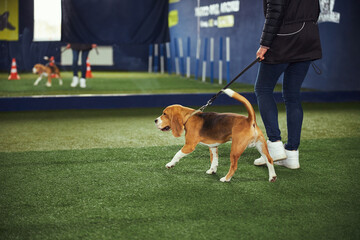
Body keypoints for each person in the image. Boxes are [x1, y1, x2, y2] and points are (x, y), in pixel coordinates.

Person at [253, 0, 322, 169]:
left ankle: (274, 145)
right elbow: (317, 10)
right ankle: (291, 155)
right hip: (309, 37)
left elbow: (274, 12)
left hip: (285, 38)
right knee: (292, 95)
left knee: (263, 89)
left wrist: (264, 44)